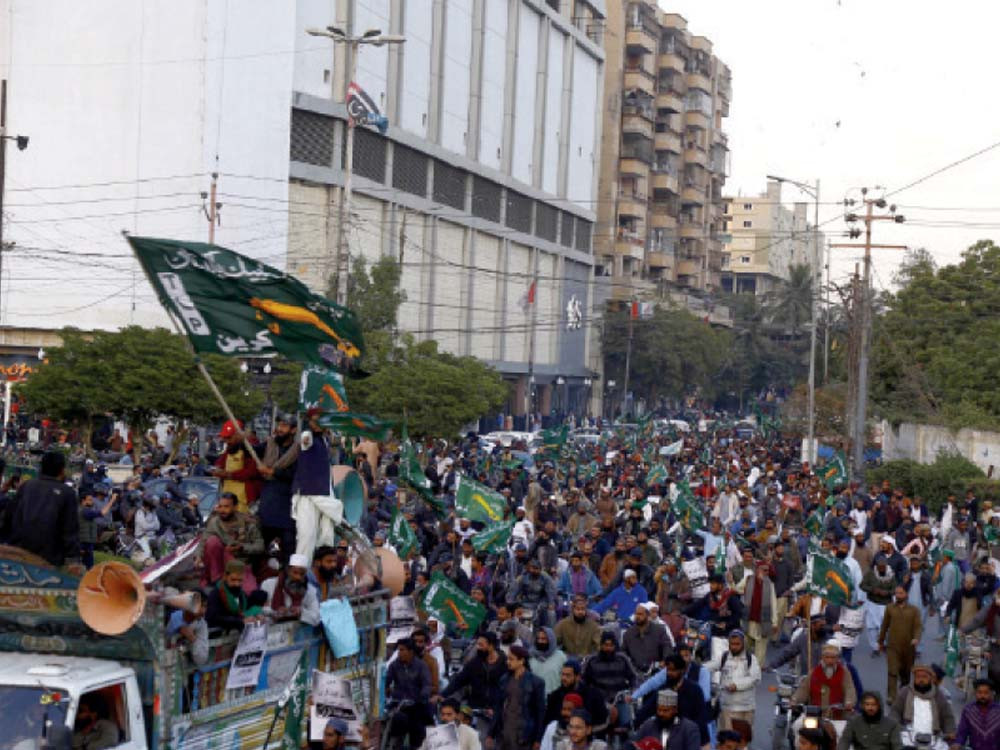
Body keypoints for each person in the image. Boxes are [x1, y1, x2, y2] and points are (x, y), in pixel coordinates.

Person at [2, 450, 81, 569]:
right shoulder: (67, 493)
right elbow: (70, 528)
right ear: (61, 470)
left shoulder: (26, 486)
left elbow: (9, 517)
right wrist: (73, 558)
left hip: (19, 555)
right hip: (49, 560)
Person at [628, 654, 710, 744]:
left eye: (673, 670)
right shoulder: (663, 689)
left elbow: (701, 717)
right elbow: (647, 709)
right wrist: (630, 725)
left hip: (691, 736)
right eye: (668, 670)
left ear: (682, 671)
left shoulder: (694, 690)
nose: (669, 673)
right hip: (669, 737)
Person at [198, 492, 264, 592]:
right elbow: (203, 542)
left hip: (240, 564)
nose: (222, 510)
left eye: (226, 507)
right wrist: (198, 557)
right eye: (220, 506)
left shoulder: (248, 523)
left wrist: (241, 547)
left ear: (235, 507)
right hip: (220, 565)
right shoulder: (214, 522)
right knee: (212, 541)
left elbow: (260, 546)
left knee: (250, 593)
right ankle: (216, 580)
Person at [257, 414, 299, 562]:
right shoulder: (270, 444)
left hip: (287, 510)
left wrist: (273, 471)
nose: (279, 429)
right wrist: (241, 440)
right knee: (259, 551)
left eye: (284, 426)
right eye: (279, 425)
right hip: (267, 507)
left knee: (289, 552)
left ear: (293, 430)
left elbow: (295, 475)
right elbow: (254, 450)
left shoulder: (298, 450)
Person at [490, 644, 546, 750]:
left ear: (521, 661)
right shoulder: (504, 680)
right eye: (507, 659)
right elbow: (498, 708)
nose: (508, 662)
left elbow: (540, 713)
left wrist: (538, 739)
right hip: (504, 733)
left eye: (511, 659)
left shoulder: (536, 683)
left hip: (524, 736)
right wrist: (491, 733)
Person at [703, 630, 760, 732]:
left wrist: (736, 686)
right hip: (727, 708)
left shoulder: (751, 659)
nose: (734, 647)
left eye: (737, 644)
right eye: (732, 644)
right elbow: (710, 666)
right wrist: (696, 668)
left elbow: (754, 678)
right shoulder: (724, 657)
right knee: (727, 741)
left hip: (745, 708)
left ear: (743, 644)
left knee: (742, 742)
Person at [888, 664, 955, 746]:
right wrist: (894, 726)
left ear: (930, 678)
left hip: (933, 736)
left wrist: (950, 731)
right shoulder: (905, 692)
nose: (921, 680)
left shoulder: (938, 695)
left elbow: (947, 716)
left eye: (924, 677)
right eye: (918, 677)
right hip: (908, 736)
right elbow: (895, 711)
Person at [385, 638, 434, 750]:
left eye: (402, 650)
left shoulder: (421, 666)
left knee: (418, 728)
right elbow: (386, 681)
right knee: (396, 722)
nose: (399, 653)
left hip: (417, 704)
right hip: (399, 704)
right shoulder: (394, 665)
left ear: (411, 651)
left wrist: (422, 696)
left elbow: (427, 685)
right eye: (398, 650)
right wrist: (384, 691)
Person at [443, 632, 508, 713]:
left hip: (496, 709)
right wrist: (443, 695)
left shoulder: (505, 663)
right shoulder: (474, 663)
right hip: (476, 706)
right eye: (477, 644)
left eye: (481, 645)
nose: (478, 647)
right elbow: (459, 680)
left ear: (491, 646)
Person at [878, 585, 922, 703]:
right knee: (892, 671)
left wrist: (916, 638)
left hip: (908, 647)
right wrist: (881, 641)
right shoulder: (890, 608)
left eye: (900, 593)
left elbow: (918, 627)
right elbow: (884, 626)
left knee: (905, 673)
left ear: (906, 594)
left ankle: (904, 694)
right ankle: (892, 696)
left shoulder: (914, 610)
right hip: (893, 646)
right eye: (896, 593)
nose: (898, 596)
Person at [792, 643, 856, 720]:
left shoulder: (844, 672)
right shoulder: (814, 672)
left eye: (833, 658)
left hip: (836, 714)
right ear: (822, 657)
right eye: (827, 657)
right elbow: (804, 689)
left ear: (837, 658)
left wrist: (849, 702)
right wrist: (795, 700)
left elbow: (849, 689)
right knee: (797, 726)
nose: (830, 660)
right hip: (815, 713)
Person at [211, 419, 260, 513]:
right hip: (227, 496)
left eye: (229, 438)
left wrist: (228, 475)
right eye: (225, 438)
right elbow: (220, 462)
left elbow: (251, 472)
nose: (226, 441)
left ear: (239, 435)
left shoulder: (250, 449)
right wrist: (217, 470)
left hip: (243, 499)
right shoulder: (230, 449)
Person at [544, 661, 608, 730]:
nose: (563, 678)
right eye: (562, 674)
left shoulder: (593, 695)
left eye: (568, 675)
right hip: (561, 735)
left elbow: (601, 719)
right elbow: (549, 719)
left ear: (578, 677)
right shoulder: (555, 696)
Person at [260, 553, 321, 625]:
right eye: (295, 573)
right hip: (272, 630)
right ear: (288, 571)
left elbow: (316, 618)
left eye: (302, 574)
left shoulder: (310, 590)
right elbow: (259, 609)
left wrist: (301, 612)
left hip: (297, 630)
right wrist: (275, 612)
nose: (298, 577)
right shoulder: (268, 584)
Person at [205, 559, 264, 632]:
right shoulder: (215, 594)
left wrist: (257, 614)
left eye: (240, 580)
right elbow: (213, 618)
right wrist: (240, 622)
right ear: (225, 576)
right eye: (233, 580)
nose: (237, 584)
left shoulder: (241, 594)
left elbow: (247, 609)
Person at [633, 690, 701, 750]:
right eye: (659, 710)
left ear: (675, 709)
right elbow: (632, 744)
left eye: (665, 710)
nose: (661, 713)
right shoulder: (649, 725)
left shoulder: (689, 729)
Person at [580, 632, 637, 704]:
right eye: (606, 645)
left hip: (619, 699)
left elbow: (633, 677)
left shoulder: (622, 659)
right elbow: (583, 680)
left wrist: (632, 693)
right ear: (601, 645)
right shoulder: (592, 660)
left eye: (611, 645)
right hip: (598, 700)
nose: (608, 648)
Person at [837, 691, 902, 750]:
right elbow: (844, 741)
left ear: (879, 706)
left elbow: (897, 746)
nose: (870, 708)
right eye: (867, 704)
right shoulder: (854, 722)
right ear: (863, 706)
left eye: (873, 705)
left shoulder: (892, 724)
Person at [741, 558, 777, 665]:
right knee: (746, 643)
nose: (766, 572)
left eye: (767, 570)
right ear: (757, 570)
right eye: (763, 570)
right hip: (749, 618)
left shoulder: (770, 584)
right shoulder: (748, 580)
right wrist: (730, 582)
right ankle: (745, 664)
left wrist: (774, 622)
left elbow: (773, 603)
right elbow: (738, 589)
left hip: (763, 620)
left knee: (761, 645)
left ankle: (757, 668)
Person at [861, 554, 896, 656]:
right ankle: (875, 648)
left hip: (886, 605)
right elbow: (862, 585)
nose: (881, 568)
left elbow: (895, 589)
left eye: (883, 566)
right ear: (876, 565)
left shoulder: (891, 575)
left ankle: (884, 645)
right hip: (872, 603)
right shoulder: (870, 574)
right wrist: (872, 590)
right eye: (880, 566)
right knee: (871, 627)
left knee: (885, 627)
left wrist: (887, 593)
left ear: (886, 566)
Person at [951, 678, 1000, 750]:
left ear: (992, 693)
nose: (982, 696)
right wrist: (958, 743)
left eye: (986, 693)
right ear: (975, 693)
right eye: (979, 692)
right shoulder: (968, 710)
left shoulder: (998, 710)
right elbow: (962, 732)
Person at [622, 603, 672, 673]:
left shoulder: (659, 630)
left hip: (655, 671)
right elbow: (623, 652)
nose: (637, 616)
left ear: (648, 615)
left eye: (640, 614)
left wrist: (664, 661)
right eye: (636, 614)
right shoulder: (628, 633)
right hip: (635, 671)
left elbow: (667, 646)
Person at [166, 592, 209, 666]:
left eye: (205, 606)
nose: (203, 611)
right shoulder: (175, 618)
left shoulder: (201, 624)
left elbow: (201, 660)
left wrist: (193, 639)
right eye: (200, 606)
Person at [530, 626, 568, 695]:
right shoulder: (531, 656)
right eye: (538, 638)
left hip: (554, 698)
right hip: (535, 699)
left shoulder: (560, 656)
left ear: (550, 640)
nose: (540, 641)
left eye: (544, 639)